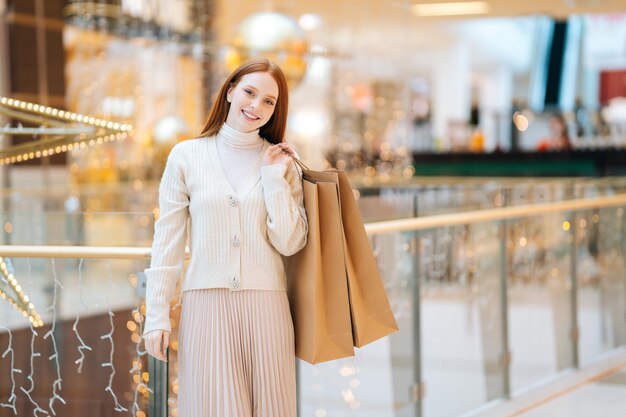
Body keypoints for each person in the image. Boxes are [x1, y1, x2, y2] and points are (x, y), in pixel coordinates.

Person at [142, 58, 308, 417]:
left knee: (272, 408)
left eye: (269, 101)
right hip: (206, 307)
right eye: (250, 92)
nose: (257, 106)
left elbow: (290, 243)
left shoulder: (283, 163)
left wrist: (275, 180)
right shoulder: (186, 156)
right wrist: (156, 315)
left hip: (268, 308)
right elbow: (167, 241)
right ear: (230, 91)